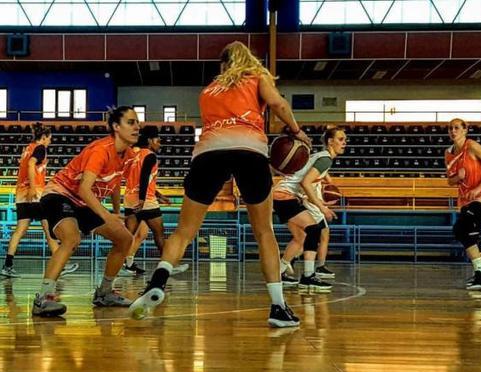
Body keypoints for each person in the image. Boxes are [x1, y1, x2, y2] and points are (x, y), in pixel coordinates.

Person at [129, 41, 310, 328]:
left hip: (208, 154)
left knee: (184, 231)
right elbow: (278, 104)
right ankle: (278, 307)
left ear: (223, 65)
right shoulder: (256, 78)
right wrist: (297, 132)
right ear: (248, 59)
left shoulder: (208, 91)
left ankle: (159, 280)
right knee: (264, 232)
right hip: (249, 150)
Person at [32, 106, 140, 317]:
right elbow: (84, 188)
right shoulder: (101, 150)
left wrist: (116, 211)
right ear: (116, 127)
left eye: (137, 122)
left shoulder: (127, 155)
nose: (137, 127)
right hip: (60, 194)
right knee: (71, 239)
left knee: (125, 239)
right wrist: (106, 215)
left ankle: (104, 293)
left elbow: (115, 183)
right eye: (131, 122)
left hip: (83, 202)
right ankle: (43, 299)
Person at [273, 126, 346, 292]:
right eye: (341, 139)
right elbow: (305, 182)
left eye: (345, 140)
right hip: (284, 196)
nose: (344, 143)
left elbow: (308, 179)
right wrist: (322, 207)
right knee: (313, 230)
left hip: (282, 195)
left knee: (301, 237)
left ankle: (280, 272)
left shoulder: (322, 157)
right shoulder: (325, 159)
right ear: (330, 141)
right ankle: (308, 276)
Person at [0, 123, 77, 278]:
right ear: (43, 137)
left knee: (20, 230)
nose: (50, 141)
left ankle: (7, 266)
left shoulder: (27, 148)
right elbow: (30, 164)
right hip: (35, 195)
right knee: (49, 229)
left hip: (21, 195)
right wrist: (33, 188)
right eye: (49, 138)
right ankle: (60, 264)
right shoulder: (40, 148)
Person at [120, 125, 187, 276]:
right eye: (158, 140)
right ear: (150, 140)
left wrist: (159, 195)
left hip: (130, 200)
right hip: (146, 202)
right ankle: (168, 265)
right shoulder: (149, 155)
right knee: (159, 234)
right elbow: (144, 177)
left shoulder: (133, 154)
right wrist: (143, 200)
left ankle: (125, 265)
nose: (160, 143)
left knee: (129, 236)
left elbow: (138, 179)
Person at [445, 118, 481, 290]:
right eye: (450, 128)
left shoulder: (472, 147)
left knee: (461, 229)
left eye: (456, 128)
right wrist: (458, 177)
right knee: (471, 237)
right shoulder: (448, 153)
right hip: (466, 200)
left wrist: (478, 188)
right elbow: (450, 181)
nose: (453, 131)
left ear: (465, 130)